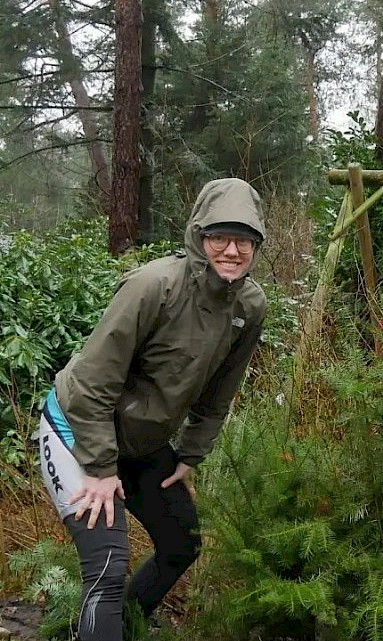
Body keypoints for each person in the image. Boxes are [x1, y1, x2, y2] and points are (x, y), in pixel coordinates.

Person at [37, 178, 268, 641]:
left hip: (142, 442)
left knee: (181, 544)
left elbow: (220, 391)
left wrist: (189, 455)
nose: (231, 250)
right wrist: (101, 470)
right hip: (76, 429)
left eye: (244, 239)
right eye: (219, 236)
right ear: (199, 237)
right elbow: (93, 385)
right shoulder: (152, 286)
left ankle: (125, 625)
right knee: (106, 565)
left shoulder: (249, 304)